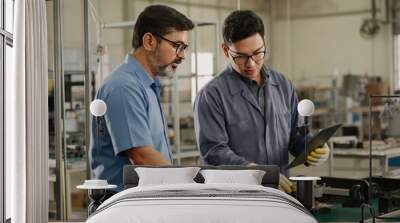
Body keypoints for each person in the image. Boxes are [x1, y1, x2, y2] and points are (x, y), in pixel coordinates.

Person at [193, 10, 329, 193]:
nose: (251, 64)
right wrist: (256, 173)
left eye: (257, 53)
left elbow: (294, 134)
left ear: (264, 42)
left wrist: (312, 146)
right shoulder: (211, 96)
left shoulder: (282, 85)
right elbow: (214, 153)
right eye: (240, 56)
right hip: (236, 196)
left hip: (281, 192)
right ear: (225, 50)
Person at [90, 5, 194, 192]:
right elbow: (142, 156)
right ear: (149, 41)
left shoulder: (148, 86)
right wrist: (189, 185)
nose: (182, 56)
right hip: (123, 207)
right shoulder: (123, 87)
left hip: (143, 200)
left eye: (184, 47)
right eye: (177, 46)